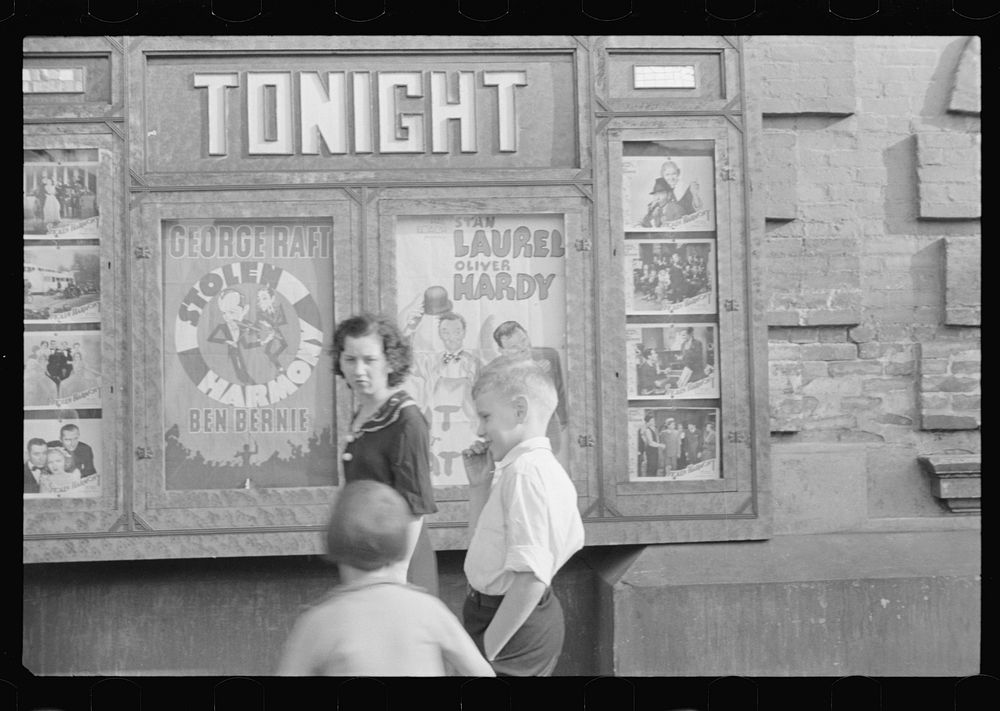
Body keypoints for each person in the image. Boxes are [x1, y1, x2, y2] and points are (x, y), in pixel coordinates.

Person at [277, 480, 494, 677]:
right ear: (401, 543)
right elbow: (482, 673)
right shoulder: (429, 609)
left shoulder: (320, 621)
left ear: (333, 541)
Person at [460, 358, 584, 676]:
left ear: (519, 410)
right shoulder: (518, 468)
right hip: (499, 616)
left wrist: (486, 650)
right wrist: (480, 488)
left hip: (511, 624)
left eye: (485, 416)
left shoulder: (528, 473)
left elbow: (530, 578)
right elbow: (484, 549)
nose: (479, 429)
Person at [332, 313, 439, 595]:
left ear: (390, 361)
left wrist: (396, 576)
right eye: (350, 360)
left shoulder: (406, 421)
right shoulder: (366, 412)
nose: (359, 370)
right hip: (366, 557)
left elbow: (415, 506)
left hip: (400, 558)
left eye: (369, 360)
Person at [412, 312, 482, 480]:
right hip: (438, 425)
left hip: (465, 423)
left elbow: (480, 394)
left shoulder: (474, 362)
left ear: (464, 332)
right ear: (440, 334)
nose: (451, 337)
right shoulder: (431, 361)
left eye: (457, 331)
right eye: (445, 332)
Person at [489, 320, 567, 453]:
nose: (523, 348)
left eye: (524, 340)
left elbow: (559, 389)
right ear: (502, 351)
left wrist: (564, 419)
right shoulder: (492, 371)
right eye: (514, 347)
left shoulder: (550, 355)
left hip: (549, 429)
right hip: (514, 437)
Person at [208, 288, 255, 384]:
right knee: (237, 370)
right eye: (224, 313)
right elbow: (211, 338)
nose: (227, 317)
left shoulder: (249, 326)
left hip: (249, 359)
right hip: (231, 356)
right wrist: (226, 341)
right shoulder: (222, 327)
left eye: (232, 312)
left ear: (245, 310)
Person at [640, 160, 702, 228]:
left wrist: (695, 194)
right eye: (667, 175)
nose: (671, 178)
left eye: (674, 174)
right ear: (663, 176)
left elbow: (698, 209)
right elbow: (648, 221)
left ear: (678, 173)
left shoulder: (686, 188)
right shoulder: (660, 196)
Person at [640, 412, 664, 478]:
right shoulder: (647, 430)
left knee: (655, 469)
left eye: (654, 420)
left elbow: (656, 440)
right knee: (651, 469)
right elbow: (650, 443)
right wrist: (660, 445)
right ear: (648, 422)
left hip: (655, 452)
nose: (654, 422)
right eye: (652, 420)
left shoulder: (654, 429)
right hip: (650, 452)